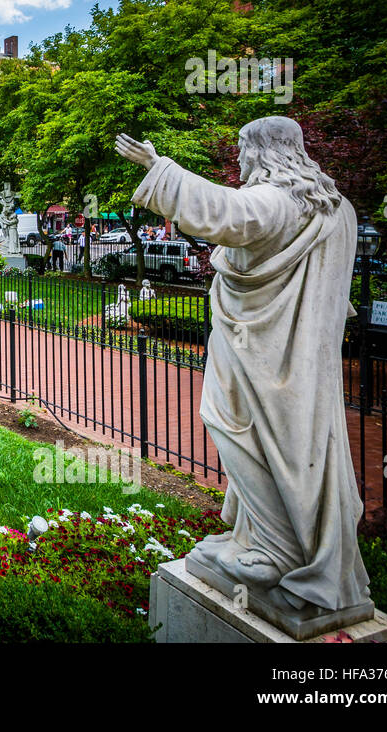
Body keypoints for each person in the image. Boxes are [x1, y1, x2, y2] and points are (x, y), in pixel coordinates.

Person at [117, 118, 369, 615]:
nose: (240, 159)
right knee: (296, 448)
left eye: (243, 149)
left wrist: (159, 167)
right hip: (303, 360)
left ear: (262, 150)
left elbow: (227, 214)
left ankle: (273, 550)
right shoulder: (337, 209)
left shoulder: (278, 201)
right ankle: (264, 538)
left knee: (232, 424)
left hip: (263, 356)